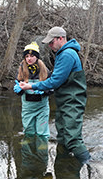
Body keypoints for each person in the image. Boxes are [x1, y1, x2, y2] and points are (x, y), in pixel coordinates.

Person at [18, 27, 91, 167]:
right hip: (66, 101)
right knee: (62, 136)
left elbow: (55, 81)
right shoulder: (63, 53)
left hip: (72, 101)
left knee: (73, 139)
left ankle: (89, 163)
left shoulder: (67, 55)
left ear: (61, 38)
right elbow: (57, 77)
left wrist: (32, 86)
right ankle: (64, 166)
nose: (50, 46)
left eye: (52, 42)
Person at [13, 42, 52, 138]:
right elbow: (19, 92)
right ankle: (28, 151)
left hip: (42, 108)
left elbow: (52, 88)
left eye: (32, 56)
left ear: (37, 57)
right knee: (28, 133)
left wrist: (44, 90)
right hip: (27, 108)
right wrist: (19, 89)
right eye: (26, 56)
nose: (29, 59)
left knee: (42, 134)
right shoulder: (21, 70)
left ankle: (42, 150)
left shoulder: (45, 70)